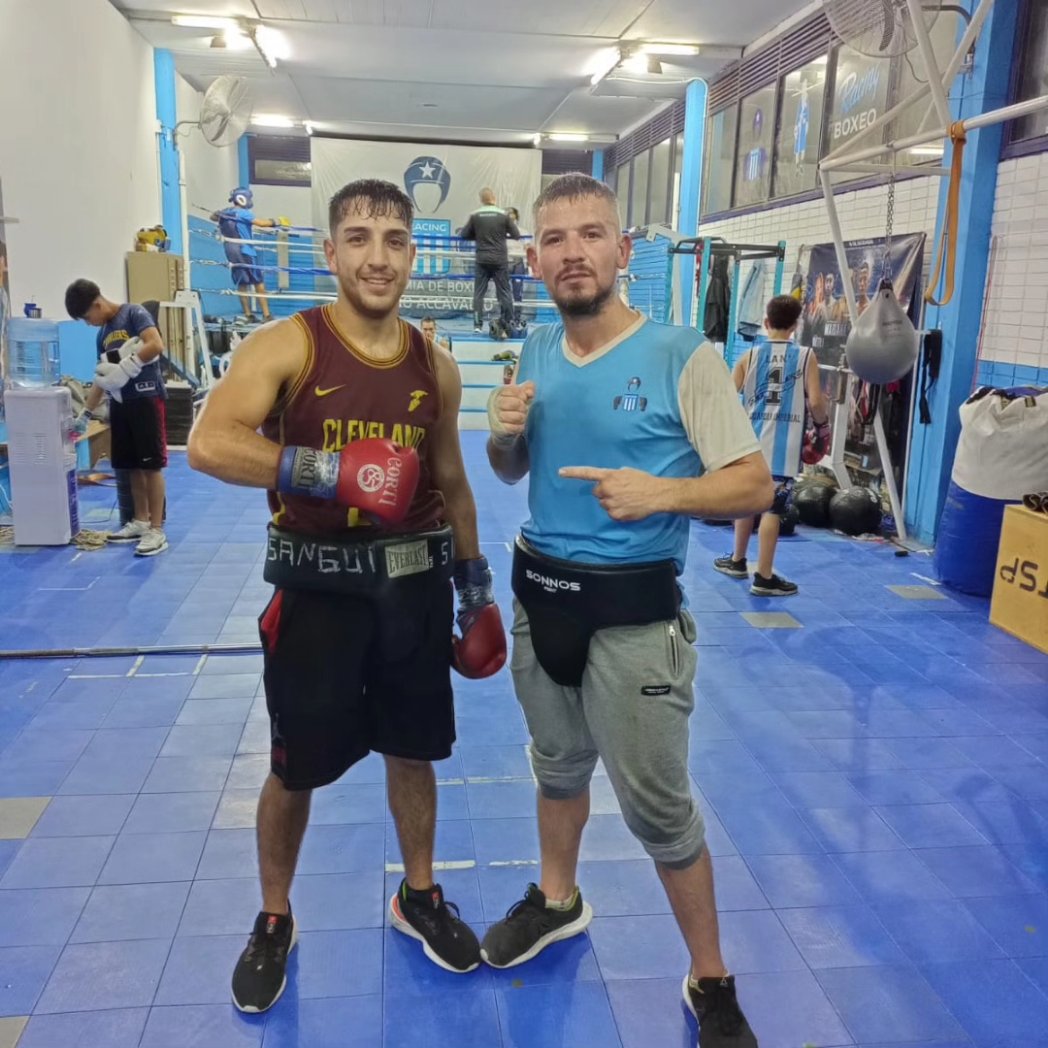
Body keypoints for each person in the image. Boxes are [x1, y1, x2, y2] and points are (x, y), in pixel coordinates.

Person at [186, 178, 506, 1014]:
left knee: (416, 750)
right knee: (294, 768)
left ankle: (420, 895)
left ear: (412, 254)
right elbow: (209, 442)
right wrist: (324, 469)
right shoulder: (287, 343)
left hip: (412, 591)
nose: (378, 255)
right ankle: (274, 916)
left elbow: (451, 481)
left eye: (395, 238)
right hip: (317, 591)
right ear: (330, 253)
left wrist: (475, 590)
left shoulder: (433, 364)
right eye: (358, 237)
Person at [484, 173, 771, 1048]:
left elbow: (754, 485)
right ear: (534, 261)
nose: (573, 252)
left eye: (591, 234)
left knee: (658, 808)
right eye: (556, 239)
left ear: (623, 251)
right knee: (558, 765)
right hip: (542, 601)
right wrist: (500, 434)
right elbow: (508, 471)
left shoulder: (685, 354)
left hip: (635, 618)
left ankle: (709, 978)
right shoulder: (533, 348)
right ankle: (558, 900)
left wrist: (664, 493)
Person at [714, 295, 829, 596]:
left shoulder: (748, 357)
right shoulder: (806, 356)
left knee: (747, 501)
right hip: (785, 447)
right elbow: (816, 402)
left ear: (766, 323)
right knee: (773, 510)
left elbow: (725, 398)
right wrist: (822, 427)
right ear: (795, 326)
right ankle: (764, 576)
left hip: (749, 445)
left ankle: (738, 561)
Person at [65, 279, 169, 557]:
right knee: (130, 466)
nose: (89, 323)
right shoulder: (102, 335)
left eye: (88, 317)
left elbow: (155, 344)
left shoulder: (134, 314)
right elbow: (102, 377)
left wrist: (128, 365)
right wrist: (86, 413)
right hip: (120, 405)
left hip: (146, 398)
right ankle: (140, 521)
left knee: (151, 466)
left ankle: (157, 529)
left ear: (97, 304)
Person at [210, 188, 287, 324]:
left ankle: (248, 314)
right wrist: (277, 221)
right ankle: (266, 315)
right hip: (245, 250)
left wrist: (218, 214)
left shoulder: (226, 213)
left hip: (230, 251)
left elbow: (212, 217)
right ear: (243, 199)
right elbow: (262, 223)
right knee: (258, 282)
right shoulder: (242, 213)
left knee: (242, 282)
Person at [460, 188, 519, 336]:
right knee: (505, 292)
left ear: (481, 199)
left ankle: (477, 325)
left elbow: (464, 235)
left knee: (478, 294)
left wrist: (478, 235)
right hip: (499, 259)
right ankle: (509, 323)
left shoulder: (475, 215)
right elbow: (516, 235)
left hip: (482, 259)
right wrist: (501, 234)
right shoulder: (503, 215)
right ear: (494, 198)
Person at [506, 206, 527, 327]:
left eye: (513, 218)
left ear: (516, 218)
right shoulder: (501, 233)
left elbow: (528, 247)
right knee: (504, 293)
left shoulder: (523, 232)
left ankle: (517, 319)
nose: (511, 220)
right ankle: (506, 319)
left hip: (518, 263)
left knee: (517, 293)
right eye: (508, 218)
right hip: (505, 263)